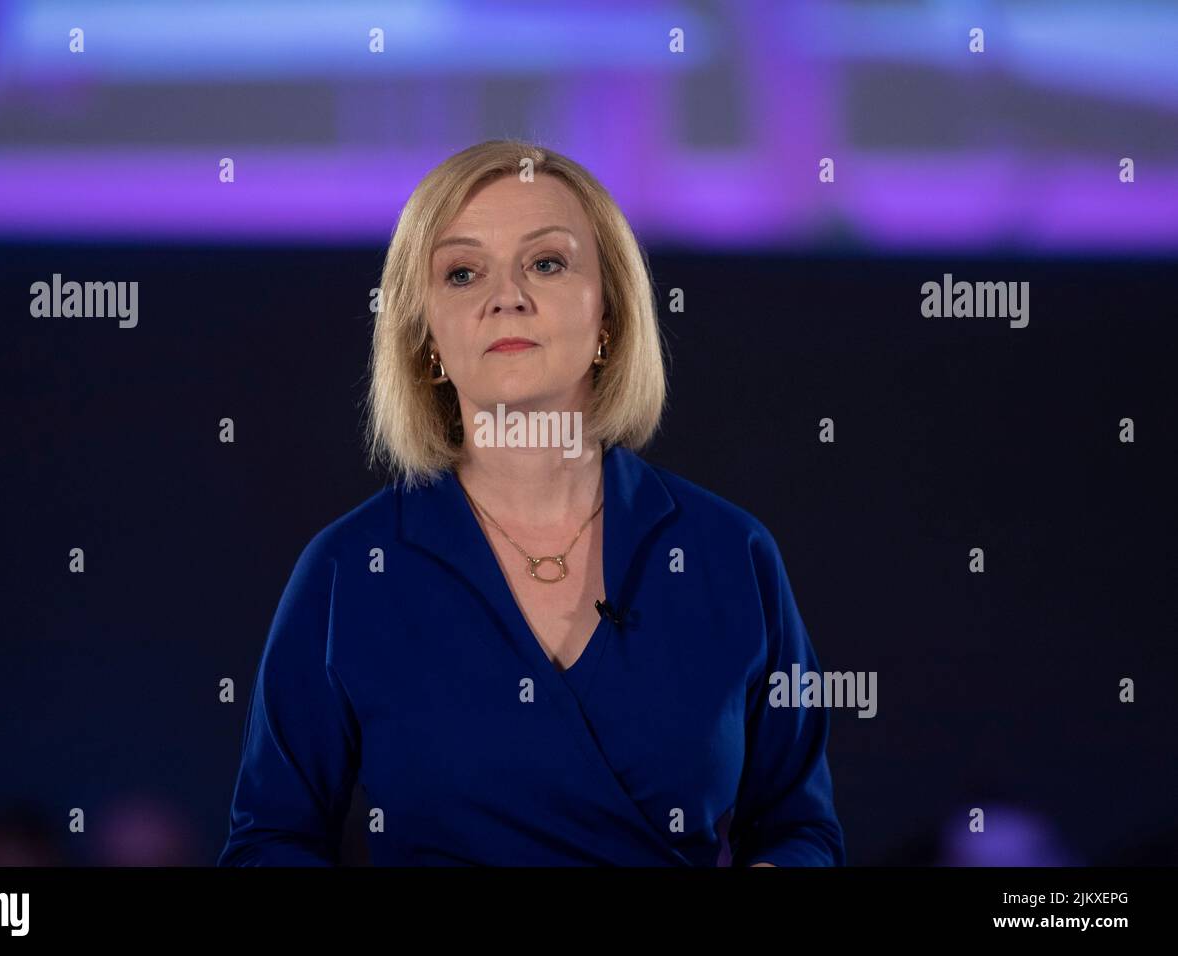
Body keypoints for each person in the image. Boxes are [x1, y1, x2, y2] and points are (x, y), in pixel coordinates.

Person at [218, 139, 845, 866]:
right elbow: (269, 842)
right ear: (427, 339)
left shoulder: (730, 555)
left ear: (608, 316)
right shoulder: (349, 571)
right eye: (462, 272)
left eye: (547, 263)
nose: (506, 295)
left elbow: (802, 829)